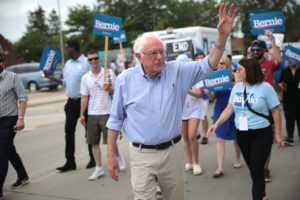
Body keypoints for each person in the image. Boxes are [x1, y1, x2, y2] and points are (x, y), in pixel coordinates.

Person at [106, 2, 237, 200]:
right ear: (140, 57)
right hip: (141, 155)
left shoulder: (177, 71)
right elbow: (115, 120)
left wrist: (222, 37)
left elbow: (208, 64)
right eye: (154, 54)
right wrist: (110, 156)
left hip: (173, 153)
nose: (160, 57)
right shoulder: (125, 79)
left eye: (162, 52)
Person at [207, 58, 284, 200]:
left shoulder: (266, 87)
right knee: (254, 170)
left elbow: (275, 111)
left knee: (256, 170)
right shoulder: (237, 87)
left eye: (240, 69)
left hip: (261, 134)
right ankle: (262, 192)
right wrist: (216, 124)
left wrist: (278, 134)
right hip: (242, 134)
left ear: (249, 71)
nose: (237, 71)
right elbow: (229, 109)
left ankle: (258, 195)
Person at [44, 40, 95, 172]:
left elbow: (93, 81)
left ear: (73, 49)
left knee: (88, 132)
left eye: (67, 48)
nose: (66, 51)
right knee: (69, 132)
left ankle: (93, 159)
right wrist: (51, 77)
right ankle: (70, 162)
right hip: (71, 103)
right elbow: (66, 83)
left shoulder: (86, 62)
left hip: (85, 102)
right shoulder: (67, 64)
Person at [79, 51, 126, 181]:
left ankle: (118, 157)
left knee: (110, 141)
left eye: (95, 59)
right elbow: (84, 96)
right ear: (88, 62)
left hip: (107, 111)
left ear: (99, 59)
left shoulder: (109, 73)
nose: (93, 61)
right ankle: (98, 168)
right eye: (90, 59)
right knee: (93, 142)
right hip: (92, 113)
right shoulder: (85, 78)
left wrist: (109, 89)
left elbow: (118, 92)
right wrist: (82, 114)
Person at [250, 31, 282, 182]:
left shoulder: (269, 64)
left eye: (258, 50)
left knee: (266, 139)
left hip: (267, 107)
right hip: (250, 106)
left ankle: (265, 168)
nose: (255, 52)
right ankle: (256, 165)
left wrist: (271, 40)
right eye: (253, 50)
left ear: (264, 51)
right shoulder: (248, 65)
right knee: (251, 139)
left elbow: (279, 60)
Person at [205, 55, 241, 178]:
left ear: (227, 64)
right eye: (218, 64)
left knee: (237, 137)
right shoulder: (213, 78)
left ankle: (237, 159)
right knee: (219, 138)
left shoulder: (234, 76)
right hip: (220, 109)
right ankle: (220, 167)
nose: (220, 65)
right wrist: (210, 93)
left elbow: (240, 93)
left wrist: (234, 84)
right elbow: (212, 97)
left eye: (222, 63)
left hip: (233, 110)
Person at [0, 55, 29, 199]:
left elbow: (23, 98)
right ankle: (23, 176)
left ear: (2, 63)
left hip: (9, 121)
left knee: (1, 154)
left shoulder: (12, 77)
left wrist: (21, 119)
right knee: (9, 150)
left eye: (0, 61)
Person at [177, 54, 203, 175]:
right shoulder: (175, 77)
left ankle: (196, 162)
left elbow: (199, 94)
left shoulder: (196, 75)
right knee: (186, 138)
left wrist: (187, 90)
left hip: (195, 109)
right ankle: (190, 161)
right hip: (182, 110)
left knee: (192, 135)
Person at [279, 61, 300, 146]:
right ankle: (290, 137)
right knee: (289, 117)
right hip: (288, 98)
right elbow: (280, 82)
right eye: (290, 61)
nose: (292, 63)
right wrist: (282, 86)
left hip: (299, 97)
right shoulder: (285, 71)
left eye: (294, 61)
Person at [193, 52, 210, 145]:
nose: (199, 59)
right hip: (193, 97)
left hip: (203, 96)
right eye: (198, 58)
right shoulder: (191, 70)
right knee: (193, 117)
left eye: (202, 58)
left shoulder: (208, 70)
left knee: (203, 116)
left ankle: (205, 135)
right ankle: (195, 133)